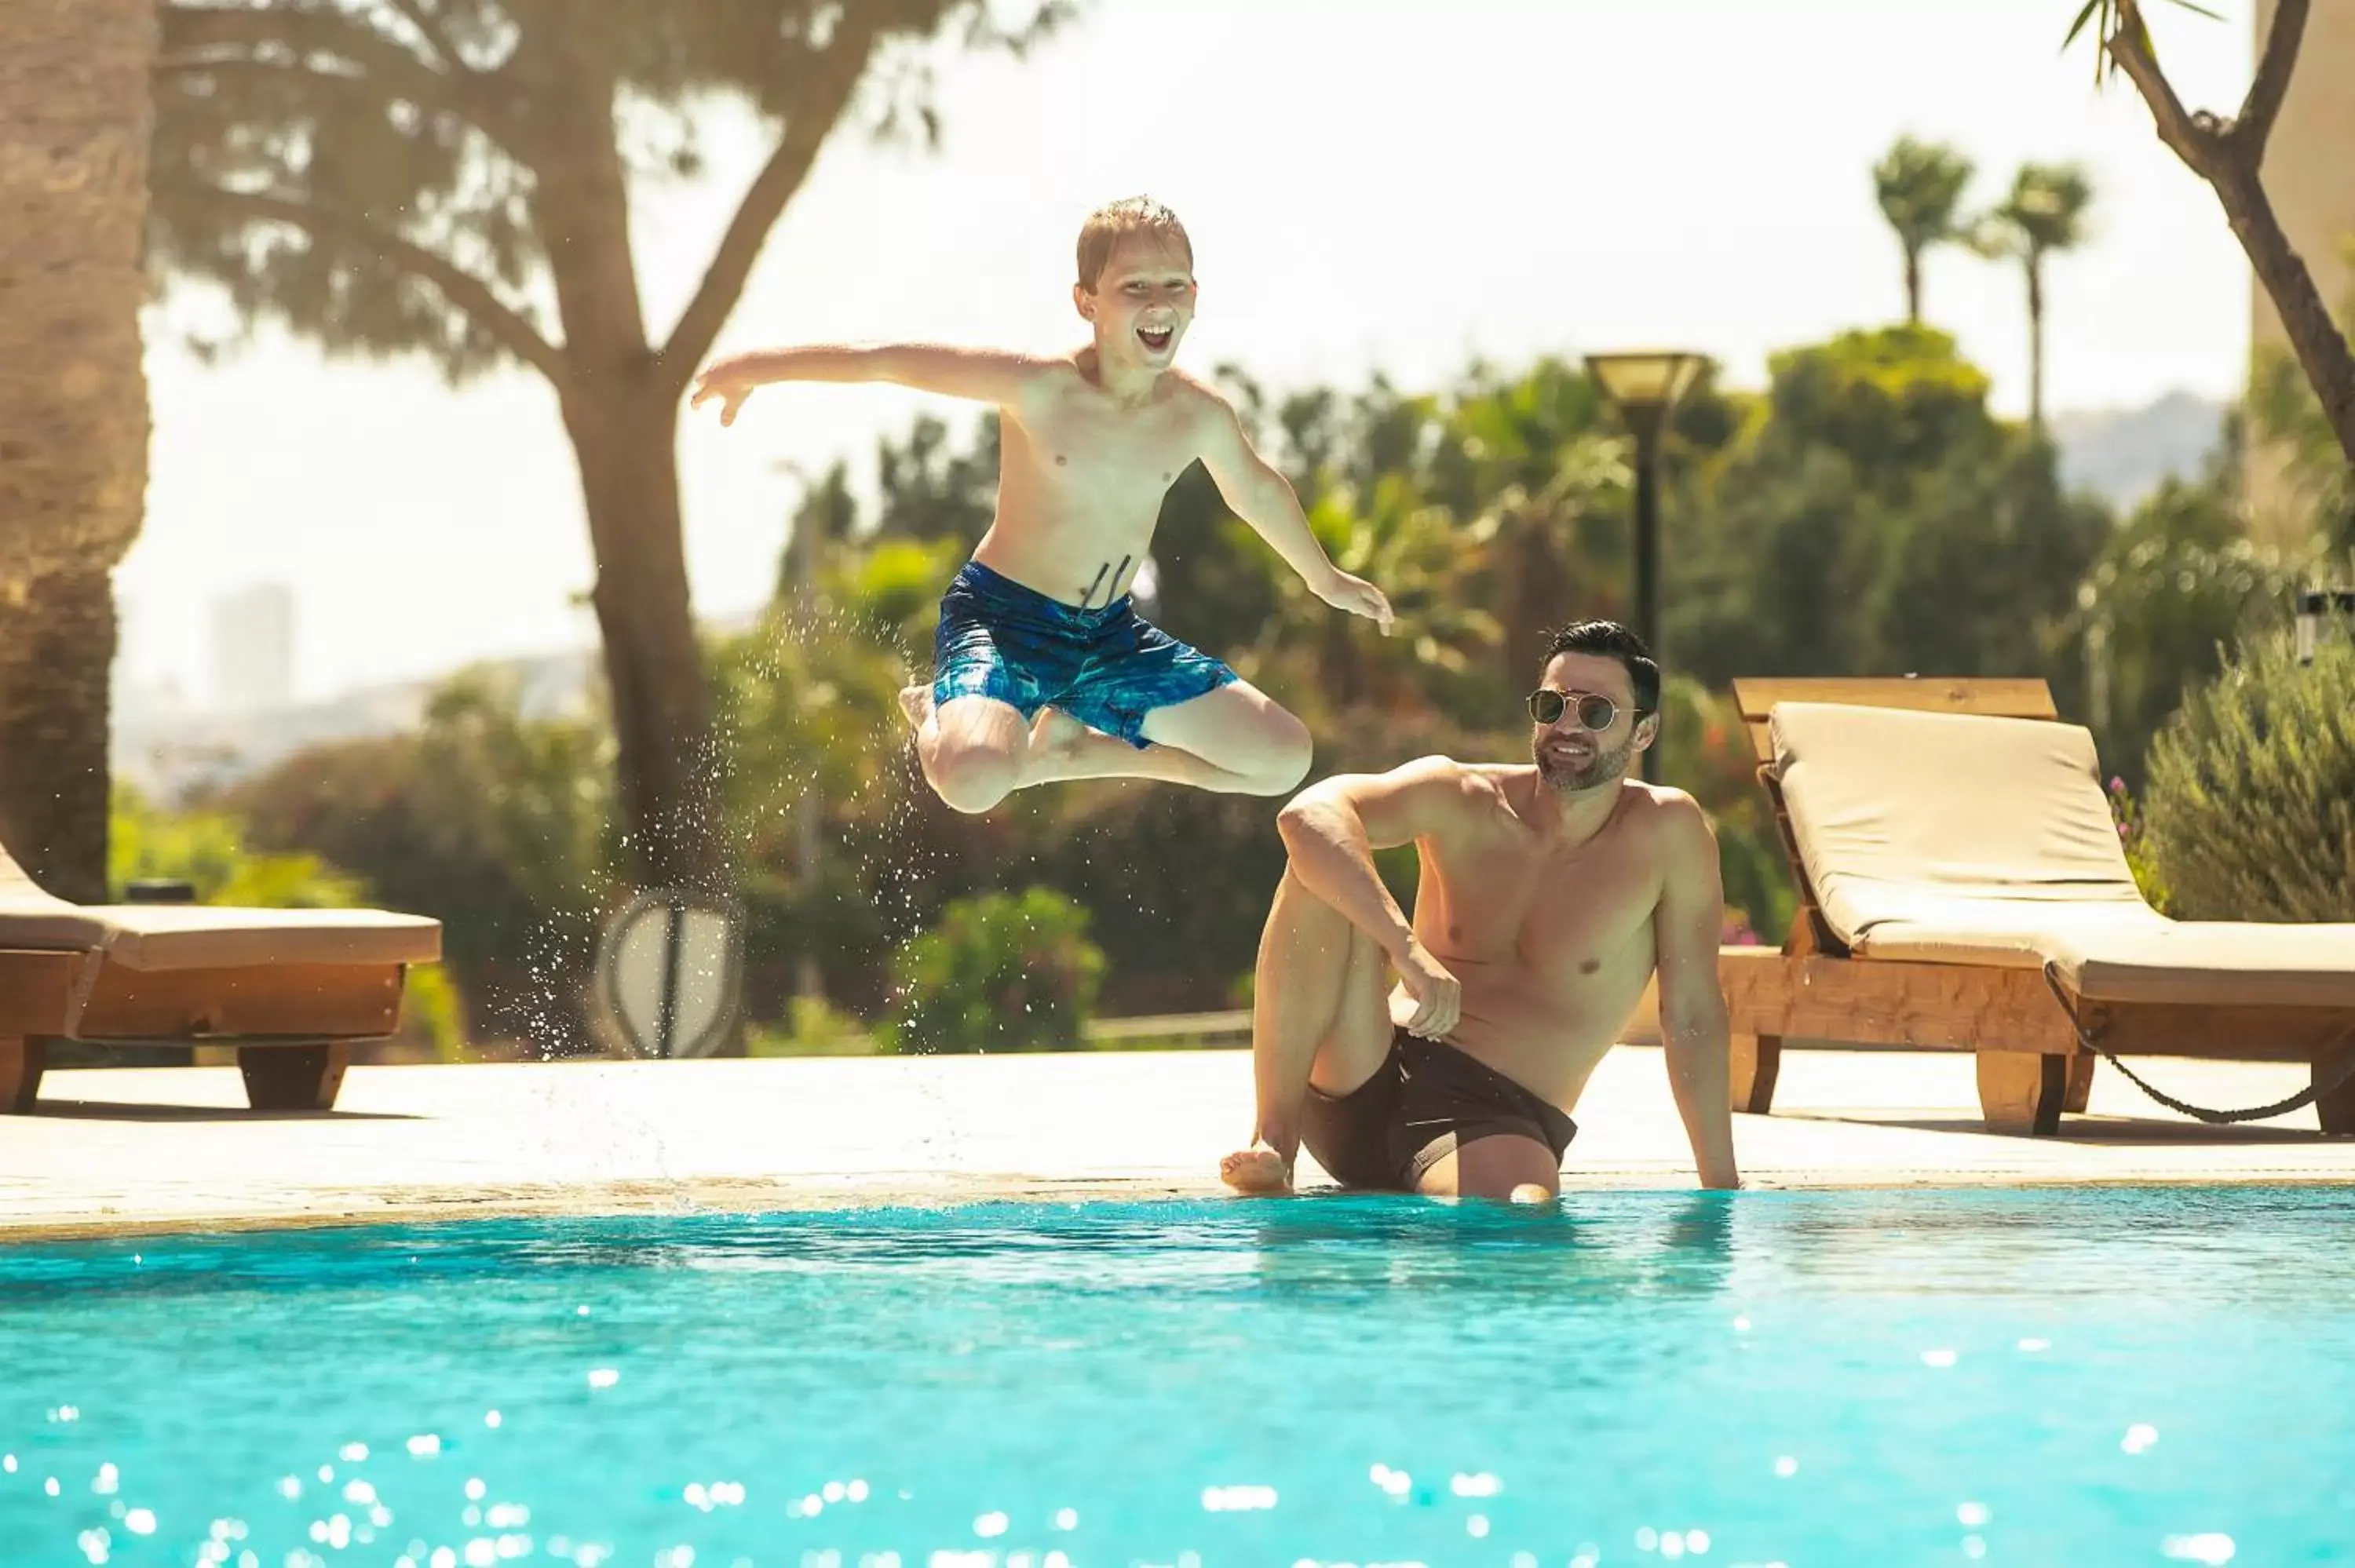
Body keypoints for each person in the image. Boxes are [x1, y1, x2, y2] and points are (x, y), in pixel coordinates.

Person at [690, 195, 1392, 815]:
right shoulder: (1038, 388)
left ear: (1196, 296)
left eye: (1173, 285)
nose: (1158, 303)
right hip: (1004, 622)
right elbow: (885, 358)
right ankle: (934, 710)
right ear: (1087, 301)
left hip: (1111, 635)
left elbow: (1257, 490)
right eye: (1133, 287)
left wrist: (1323, 578)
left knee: (1280, 760)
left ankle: (1073, 753)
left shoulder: (1197, 414)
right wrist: (754, 369)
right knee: (972, 781)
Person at [1218, 621, 1741, 1201]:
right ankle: (1275, 1143)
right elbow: (1306, 814)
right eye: (1552, 706)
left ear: (1644, 734)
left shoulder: (1668, 833)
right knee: (1319, 864)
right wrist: (1407, 952)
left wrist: (1720, 1192)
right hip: (1365, 1069)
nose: (1567, 726)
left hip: (1495, 1117)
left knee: (1519, 1220)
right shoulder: (1463, 798)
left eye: (1596, 713)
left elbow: (1692, 1012)